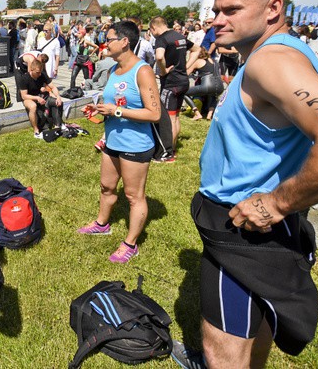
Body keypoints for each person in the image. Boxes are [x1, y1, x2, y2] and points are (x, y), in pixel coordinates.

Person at [188, 0, 318, 369]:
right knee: (254, 324)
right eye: (215, 11)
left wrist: (276, 202)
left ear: (272, 9)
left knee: (221, 350)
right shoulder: (285, 54)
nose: (217, 20)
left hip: (242, 223)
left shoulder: (272, 62)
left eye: (231, 10)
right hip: (255, 222)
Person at [77, 20, 160, 262]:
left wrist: (117, 112)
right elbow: (116, 103)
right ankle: (102, 224)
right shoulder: (114, 70)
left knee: (134, 196)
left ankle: (130, 243)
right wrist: (99, 110)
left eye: (109, 38)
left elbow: (154, 114)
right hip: (112, 140)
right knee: (107, 187)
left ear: (125, 42)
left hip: (136, 145)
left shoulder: (142, 71)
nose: (105, 43)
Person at [149, 16, 189, 162]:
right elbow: (197, 50)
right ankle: (172, 147)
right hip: (184, 81)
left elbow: (159, 57)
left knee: (168, 119)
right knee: (176, 116)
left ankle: (167, 152)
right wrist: (187, 67)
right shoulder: (180, 36)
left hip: (171, 83)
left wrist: (163, 71)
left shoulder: (162, 38)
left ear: (154, 28)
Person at [17, 58, 62, 138]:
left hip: (41, 96)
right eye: (37, 72)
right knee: (33, 106)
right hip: (28, 98)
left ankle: (58, 125)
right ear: (31, 69)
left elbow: (53, 87)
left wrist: (58, 97)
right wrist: (37, 98)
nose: (40, 74)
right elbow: (24, 96)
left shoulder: (42, 74)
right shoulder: (24, 78)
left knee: (57, 102)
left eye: (40, 72)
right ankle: (36, 130)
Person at [185, 47, 223, 121]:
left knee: (184, 92)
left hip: (207, 85)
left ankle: (197, 114)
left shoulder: (198, 61)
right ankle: (209, 115)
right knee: (214, 95)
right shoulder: (214, 61)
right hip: (220, 86)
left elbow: (186, 74)